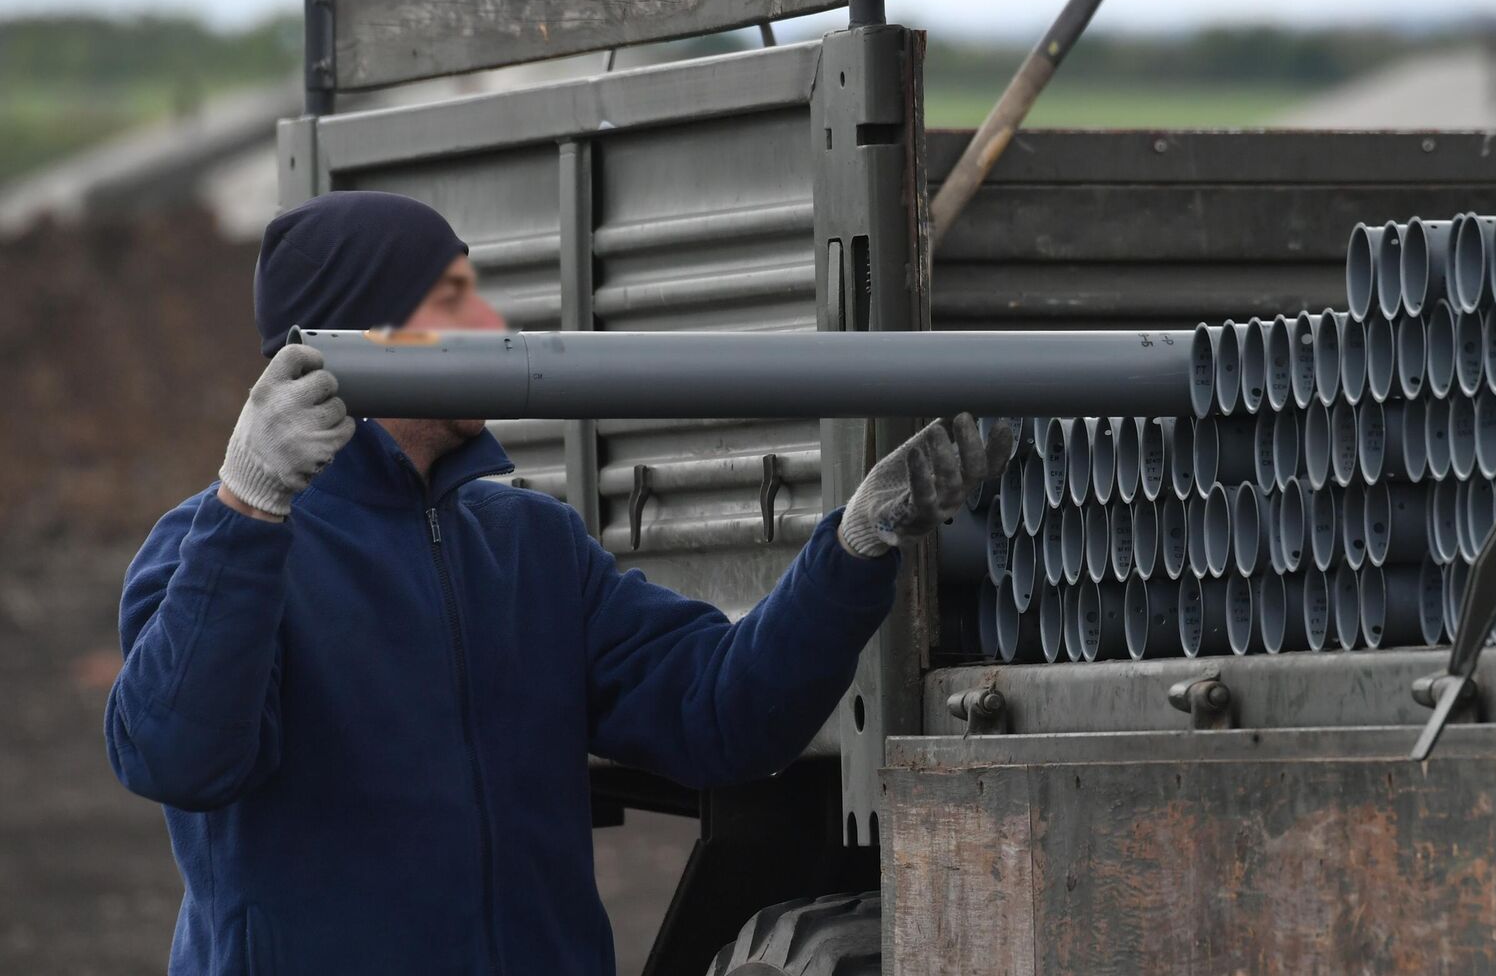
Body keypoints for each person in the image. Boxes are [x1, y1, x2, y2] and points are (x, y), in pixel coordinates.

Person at [105, 191, 1012, 975]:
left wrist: (855, 545)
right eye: (454, 300)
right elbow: (177, 756)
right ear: (360, 338)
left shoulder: (530, 547)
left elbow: (724, 715)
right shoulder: (212, 546)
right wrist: (247, 511)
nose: (494, 329)